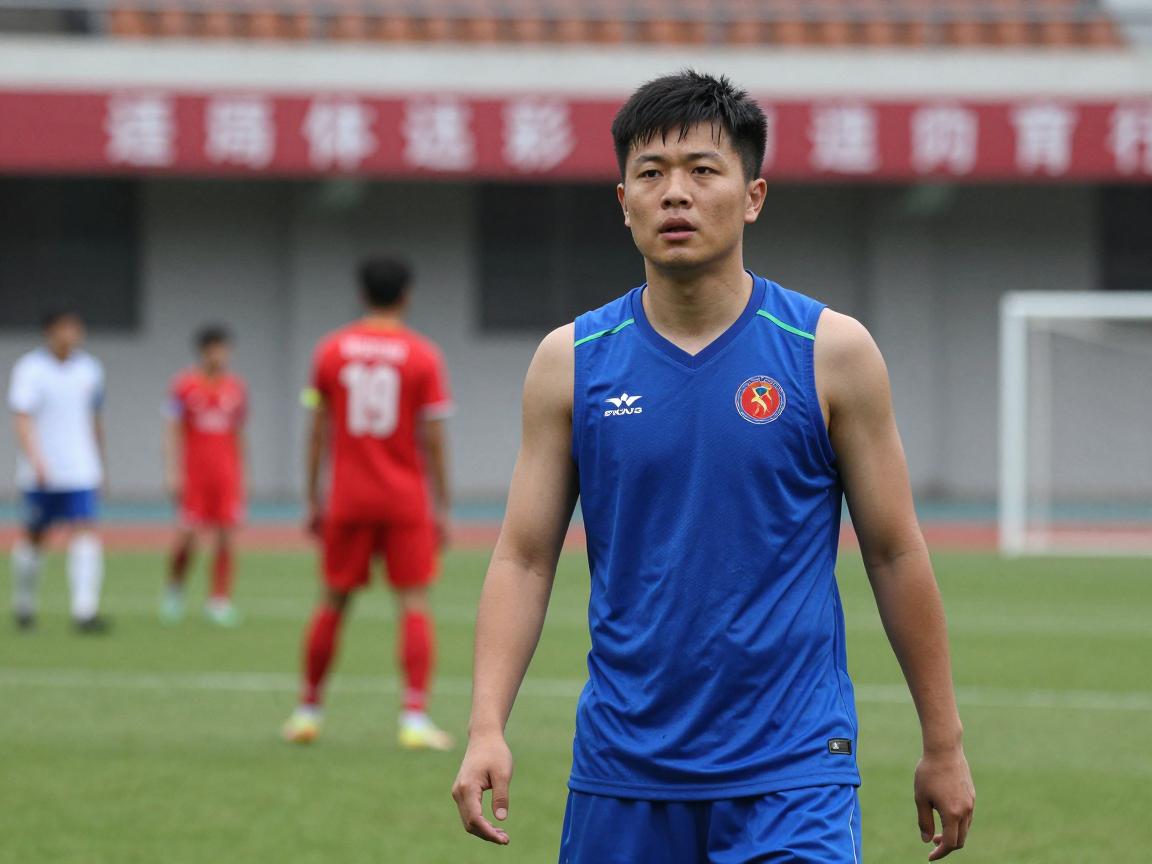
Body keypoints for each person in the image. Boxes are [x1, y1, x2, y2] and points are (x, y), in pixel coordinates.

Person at [452, 71, 976, 862]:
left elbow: (894, 551)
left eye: (703, 170)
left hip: (793, 771)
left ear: (753, 196)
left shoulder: (830, 353)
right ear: (622, 200)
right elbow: (524, 558)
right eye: (651, 174)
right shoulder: (571, 362)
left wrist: (944, 741)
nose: (675, 194)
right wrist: (486, 725)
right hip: (624, 768)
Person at [282, 256, 455, 750]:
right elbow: (433, 436)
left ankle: (307, 713)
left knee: (332, 601)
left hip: (348, 497)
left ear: (362, 294)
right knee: (413, 603)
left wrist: (312, 496)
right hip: (404, 499)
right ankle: (414, 718)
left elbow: (317, 429)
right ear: (406, 296)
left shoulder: (331, 351)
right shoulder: (422, 355)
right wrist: (442, 504)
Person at [8, 310, 108, 633]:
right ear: (49, 332)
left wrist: (100, 463)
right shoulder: (30, 369)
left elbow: (94, 418)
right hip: (43, 472)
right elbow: (22, 417)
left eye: (75, 328)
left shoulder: (90, 369)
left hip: (81, 469)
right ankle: (24, 604)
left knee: (85, 531)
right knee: (35, 537)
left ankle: (84, 610)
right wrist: (36, 459)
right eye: (64, 328)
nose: (71, 335)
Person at [161, 325, 247, 627]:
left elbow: (239, 434)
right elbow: (171, 431)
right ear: (202, 352)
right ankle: (175, 590)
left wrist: (242, 475)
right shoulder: (183, 386)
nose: (219, 355)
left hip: (226, 474)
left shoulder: (236, 388)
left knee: (226, 536)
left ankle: (219, 600)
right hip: (194, 474)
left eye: (224, 349)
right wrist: (172, 471)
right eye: (214, 349)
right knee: (187, 537)